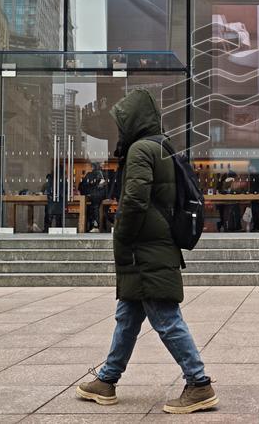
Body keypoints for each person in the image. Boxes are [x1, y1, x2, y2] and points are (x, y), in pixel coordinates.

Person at [76, 88, 217, 414]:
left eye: (122, 122)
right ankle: (108, 380)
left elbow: (135, 201)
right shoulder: (161, 147)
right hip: (153, 246)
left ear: (134, 120)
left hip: (145, 249)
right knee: (127, 316)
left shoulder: (141, 150)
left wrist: (121, 234)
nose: (120, 128)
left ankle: (199, 383)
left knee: (166, 318)